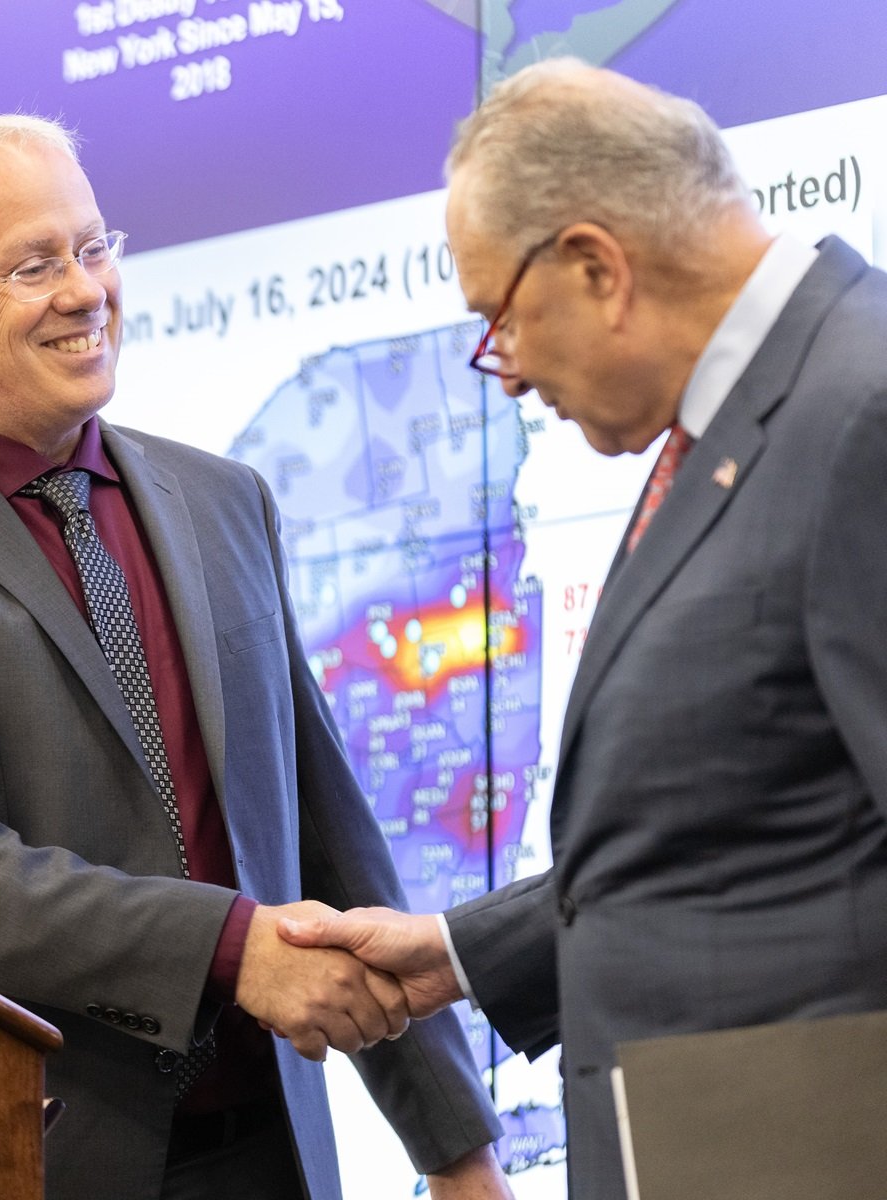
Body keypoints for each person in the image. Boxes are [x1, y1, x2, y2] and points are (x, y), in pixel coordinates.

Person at [0, 113, 510, 1200]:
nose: (82, 290)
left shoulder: (224, 500)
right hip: (36, 1161)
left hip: (277, 1158)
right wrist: (233, 946)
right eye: (32, 264)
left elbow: (326, 832)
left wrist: (454, 1146)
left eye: (94, 247)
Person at [278, 59, 887, 1200]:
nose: (502, 375)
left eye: (495, 322)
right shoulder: (737, 431)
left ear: (597, 266)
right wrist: (459, 955)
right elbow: (743, 838)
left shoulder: (863, 411)